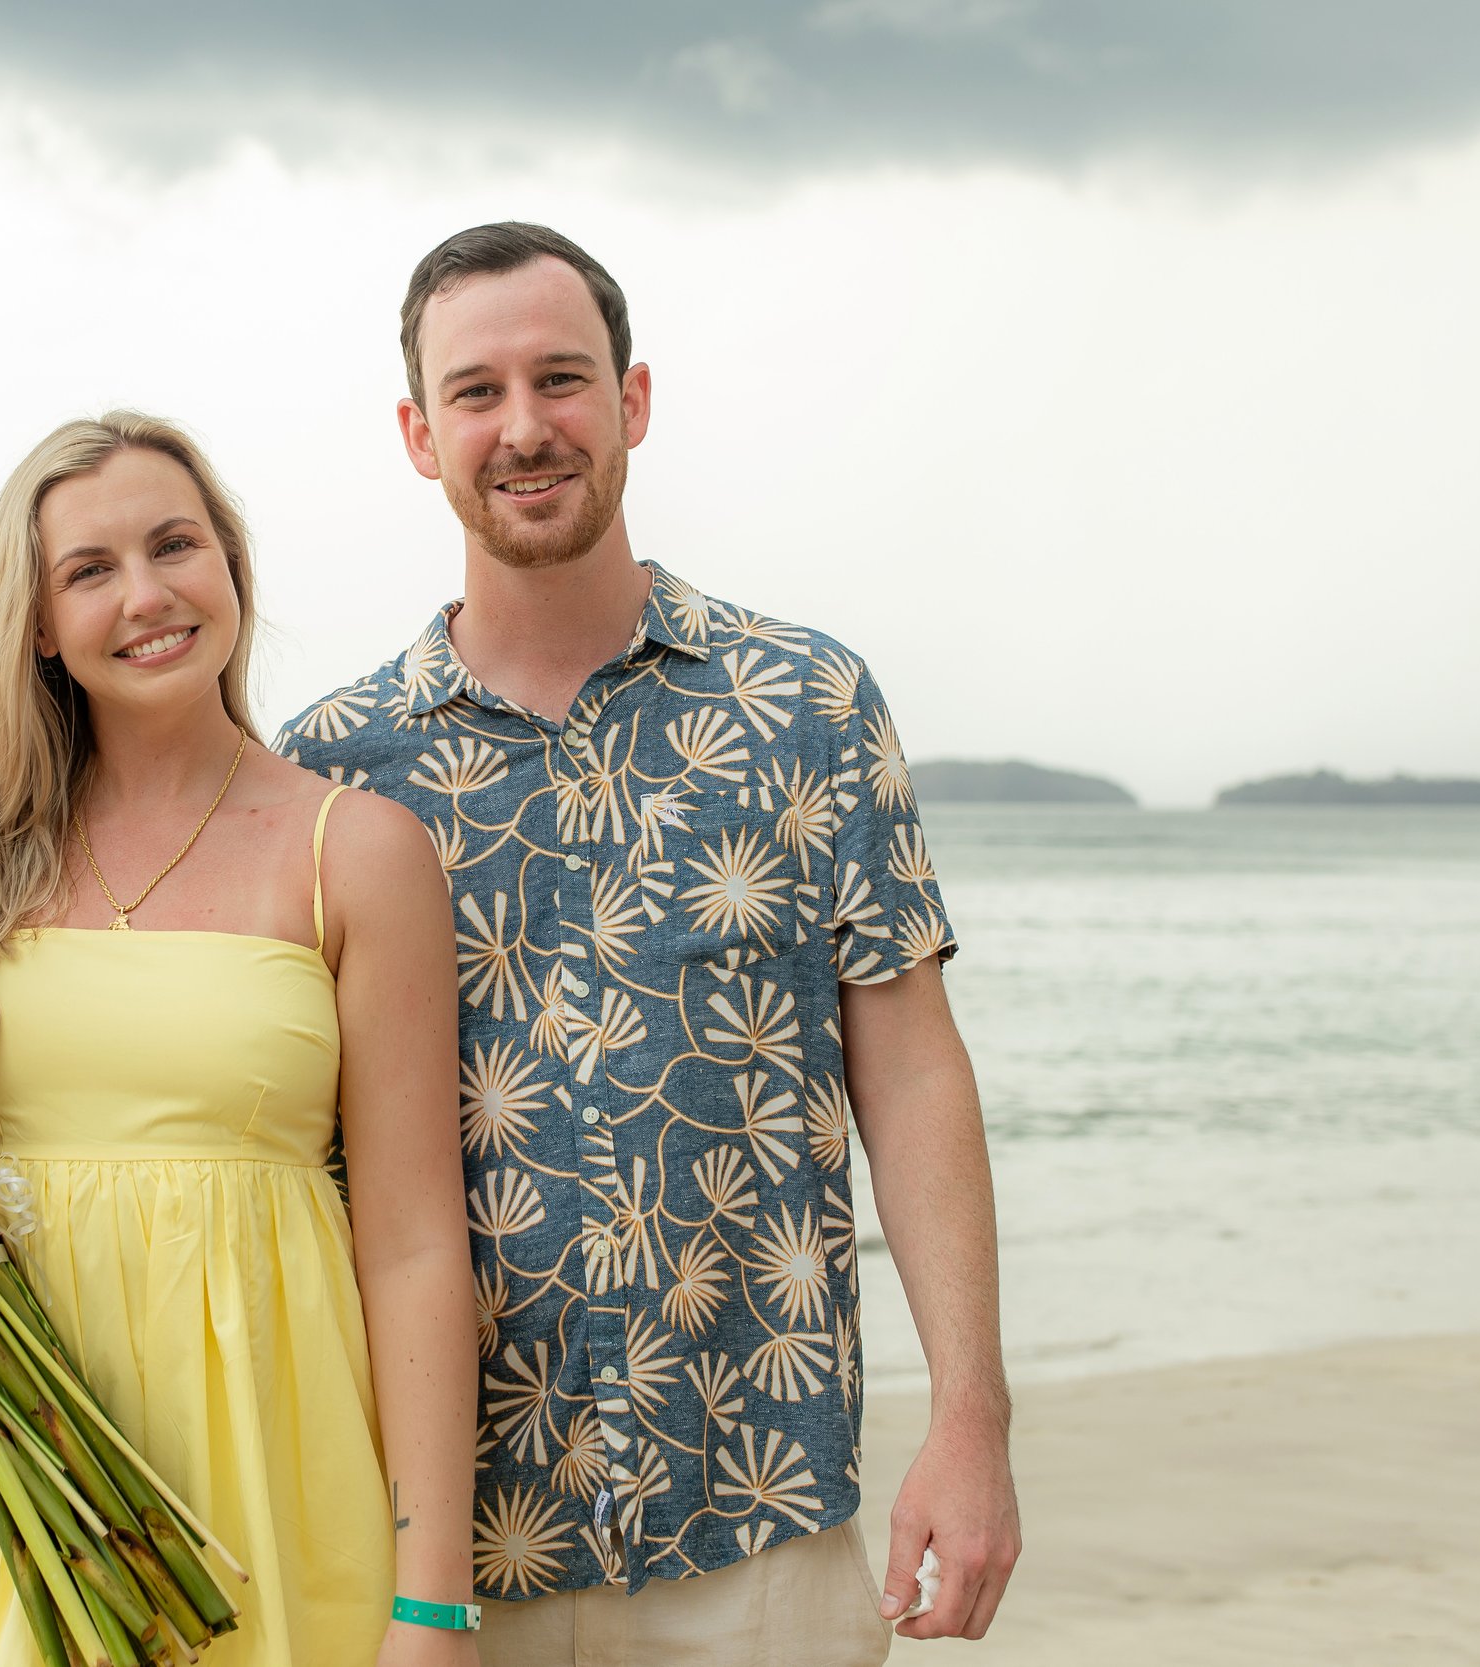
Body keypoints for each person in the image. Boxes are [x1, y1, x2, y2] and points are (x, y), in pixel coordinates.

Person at [277, 224, 1022, 1664]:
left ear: (633, 400)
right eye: (477, 391)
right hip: (437, 1548)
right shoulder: (329, 773)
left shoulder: (804, 699)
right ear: (419, 434)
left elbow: (914, 1075)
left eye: (562, 377)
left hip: (760, 1518)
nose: (525, 425)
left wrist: (972, 1417)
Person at [0, 412, 482, 1666]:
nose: (146, 594)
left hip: (267, 1443)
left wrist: (432, 1603)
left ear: (230, 567)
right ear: (36, 621)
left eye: (175, 545)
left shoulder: (356, 850)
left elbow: (413, 1246)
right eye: (89, 569)